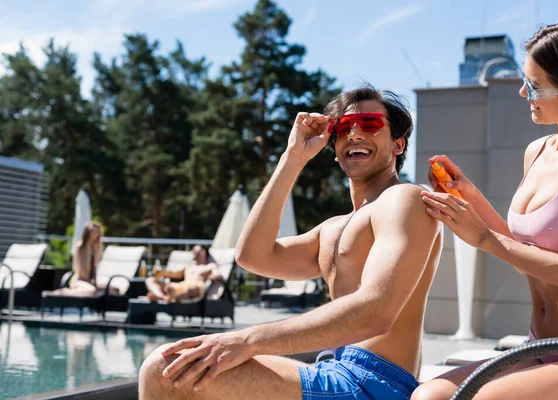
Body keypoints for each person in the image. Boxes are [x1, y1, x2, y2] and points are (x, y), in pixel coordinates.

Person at [138, 84, 443, 400]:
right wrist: (293, 157)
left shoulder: (404, 199)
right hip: (334, 370)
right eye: (342, 128)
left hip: (374, 384)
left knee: (166, 370)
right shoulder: (332, 229)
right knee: (178, 367)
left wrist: (248, 339)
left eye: (369, 124)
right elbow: (252, 255)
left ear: (397, 144)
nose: (353, 134)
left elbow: (376, 312)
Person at [412, 17, 558, 400]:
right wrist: (470, 197)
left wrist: (482, 237)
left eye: (534, 85)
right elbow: (522, 254)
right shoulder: (537, 152)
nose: (522, 92)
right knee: (426, 395)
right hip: (541, 344)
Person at [144, 245, 223, 302]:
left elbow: (218, 274)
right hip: (182, 285)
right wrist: (161, 272)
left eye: (195, 249)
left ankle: (165, 297)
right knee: (150, 280)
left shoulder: (209, 266)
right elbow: (175, 274)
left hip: (197, 286)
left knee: (188, 289)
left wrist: (212, 276)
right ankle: (163, 297)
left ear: (203, 251)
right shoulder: (188, 266)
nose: (192, 251)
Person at [52, 221, 104, 296]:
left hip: (91, 281)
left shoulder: (96, 248)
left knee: (114, 289)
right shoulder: (81, 247)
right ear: (88, 232)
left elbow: (95, 266)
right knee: (91, 291)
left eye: (97, 232)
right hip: (79, 280)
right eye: (93, 231)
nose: (95, 233)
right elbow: (81, 270)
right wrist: (91, 282)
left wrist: (95, 282)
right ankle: (63, 292)